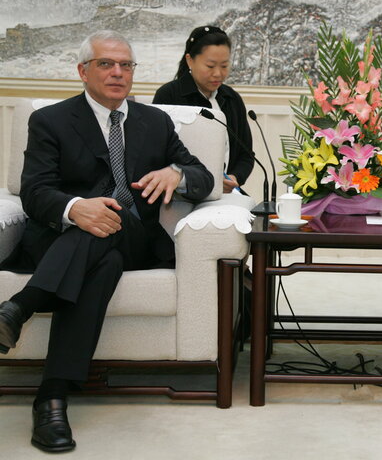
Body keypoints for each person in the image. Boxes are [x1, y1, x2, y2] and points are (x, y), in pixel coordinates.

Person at [0, 30, 214, 453]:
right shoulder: (51, 120)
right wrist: (75, 207)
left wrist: (177, 174)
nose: (118, 73)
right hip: (63, 239)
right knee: (102, 257)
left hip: (136, 239)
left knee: (111, 222)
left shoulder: (155, 121)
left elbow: (204, 177)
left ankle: (19, 307)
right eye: (106, 64)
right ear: (83, 71)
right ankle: (51, 398)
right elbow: (35, 190)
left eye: (126, 65)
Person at [153, 25, 253, 193]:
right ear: (190, 60)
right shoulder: (169, 96)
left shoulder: (232, 99)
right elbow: (157, 154)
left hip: (227, 194)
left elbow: (246, 155)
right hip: (182, 195)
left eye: (224, 66)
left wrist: (235, 177)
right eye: (210, 66)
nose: (218, 74)